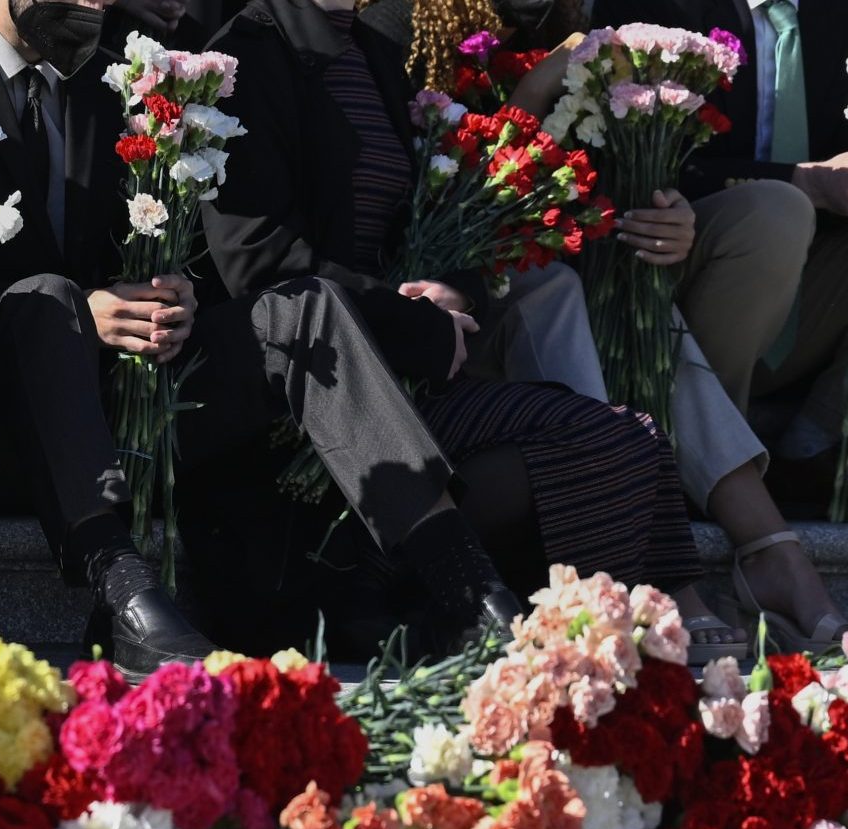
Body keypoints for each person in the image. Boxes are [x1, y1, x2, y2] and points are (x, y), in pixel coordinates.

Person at [199, 0, 738, 661]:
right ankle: (403, 589)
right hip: (312, 401)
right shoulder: (244, 55)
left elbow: (424, 211)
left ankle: (407, 585)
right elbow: (259, 260)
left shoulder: (369, 49)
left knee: (624, 440)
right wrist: (410, 323)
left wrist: (458, 287)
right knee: (609, 443)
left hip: (405, 380)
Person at [364, 0, 848, 653]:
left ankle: (771, 552)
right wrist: (536, 91)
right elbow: (422, 214)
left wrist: (666, 209)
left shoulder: (584, 19)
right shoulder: (401, 27)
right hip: (432, 316)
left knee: (624, 291)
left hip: (552, 289)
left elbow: (595, 193)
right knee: (559, 292)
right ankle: (656, 567)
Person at [0, 0, 243, 676]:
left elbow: (114, 244)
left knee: (300, 316)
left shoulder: (102, 77)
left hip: (100, 413)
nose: (98, 5)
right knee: (48, 300)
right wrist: (81, 311)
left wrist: (170, 292)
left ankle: (448, 571)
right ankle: (126, 587)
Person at [589, 0, 848, 523]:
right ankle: (707, 462)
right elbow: (614, 162)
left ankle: (820, 449)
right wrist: (806, 181)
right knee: (775, 205)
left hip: (801, 287)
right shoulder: (659, 8)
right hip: (669, 282)